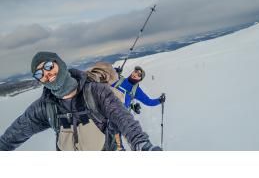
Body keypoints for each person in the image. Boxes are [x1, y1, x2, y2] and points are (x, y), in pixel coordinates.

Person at [0, 52, 161, 151]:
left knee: (117, 134)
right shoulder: (45, 106)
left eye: (48, 66)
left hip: (113, 117)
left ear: (59, 63)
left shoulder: (95, 92)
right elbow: (14, 133)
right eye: (39, 74)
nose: (46, 74)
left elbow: (125, 118)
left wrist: (141, 144)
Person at [110, 66, 166, 150]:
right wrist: (114, 71)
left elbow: (148, 101)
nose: (136, 74)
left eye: (139, 74)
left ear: (140, 79)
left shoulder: (137, 90)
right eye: (135, 71)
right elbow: (105, 80)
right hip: (106, 106)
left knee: (115, 138)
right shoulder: (119, 79)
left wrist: (159, 100)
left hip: (119, 115)